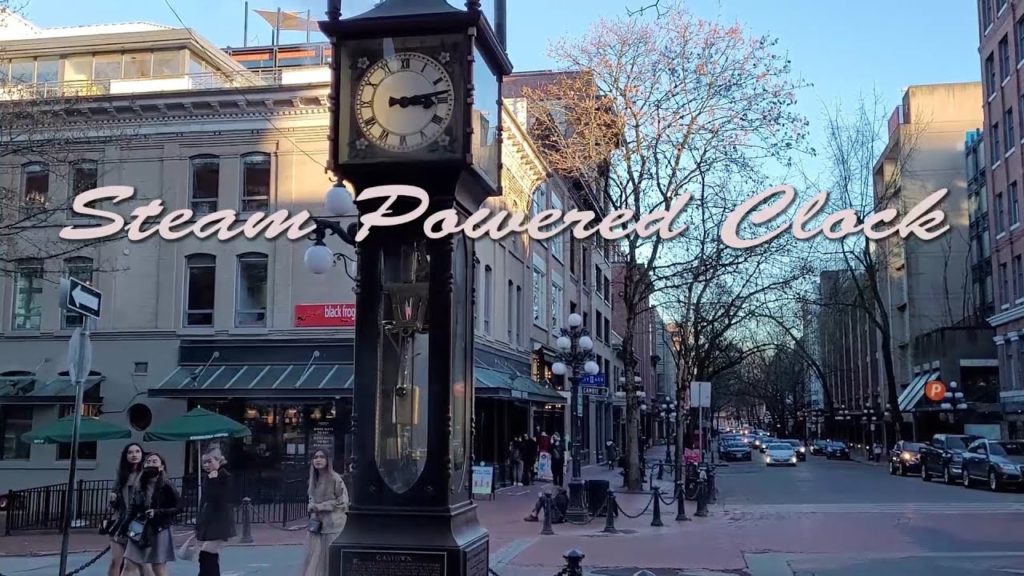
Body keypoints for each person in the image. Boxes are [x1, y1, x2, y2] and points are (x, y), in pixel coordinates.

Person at [123, 452, 181, 576]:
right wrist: (124, 525)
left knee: (158, 567)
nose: (150, 464)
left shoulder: (167, 485)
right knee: (129, 563)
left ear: (161, 467)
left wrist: (158, 512)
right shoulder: (139, 485)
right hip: (138, 526)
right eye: (148, 462)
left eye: (154, 461)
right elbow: (133, 507)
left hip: (159, 528)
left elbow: (179, 508)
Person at [300, 449, 349, 576]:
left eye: (322, 457)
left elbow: (344, 502)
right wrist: (312, 506)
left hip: (332, 526)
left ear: (328, 460)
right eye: (315, 457)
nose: (318, 460)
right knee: (314, 563)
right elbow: (312, 497)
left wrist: (321, 506)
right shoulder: (313, 479)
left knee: (328, 564)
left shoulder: (335, 478)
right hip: (316, 526)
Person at [107, 443, 148, 576]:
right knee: (116, 560)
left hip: (138, 523)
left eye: (137, 451)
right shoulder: (121, 475)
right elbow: (113, 502)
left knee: (139, 562)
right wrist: (113, 500)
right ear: (125, 456)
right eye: (130, 452)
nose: (134, 455)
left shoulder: (146, 474)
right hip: (119, 521)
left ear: (142, 454)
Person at [195, 447, 236, 576]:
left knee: (206, 553)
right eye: (204, 462)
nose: (206, 465)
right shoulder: (208, 476)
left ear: (219, 460)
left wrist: (214, 481)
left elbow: (222, 499)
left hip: (220, 520)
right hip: (210, 520)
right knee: (209, 555)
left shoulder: (225, 476)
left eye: (210, 461)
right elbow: (204, 500)